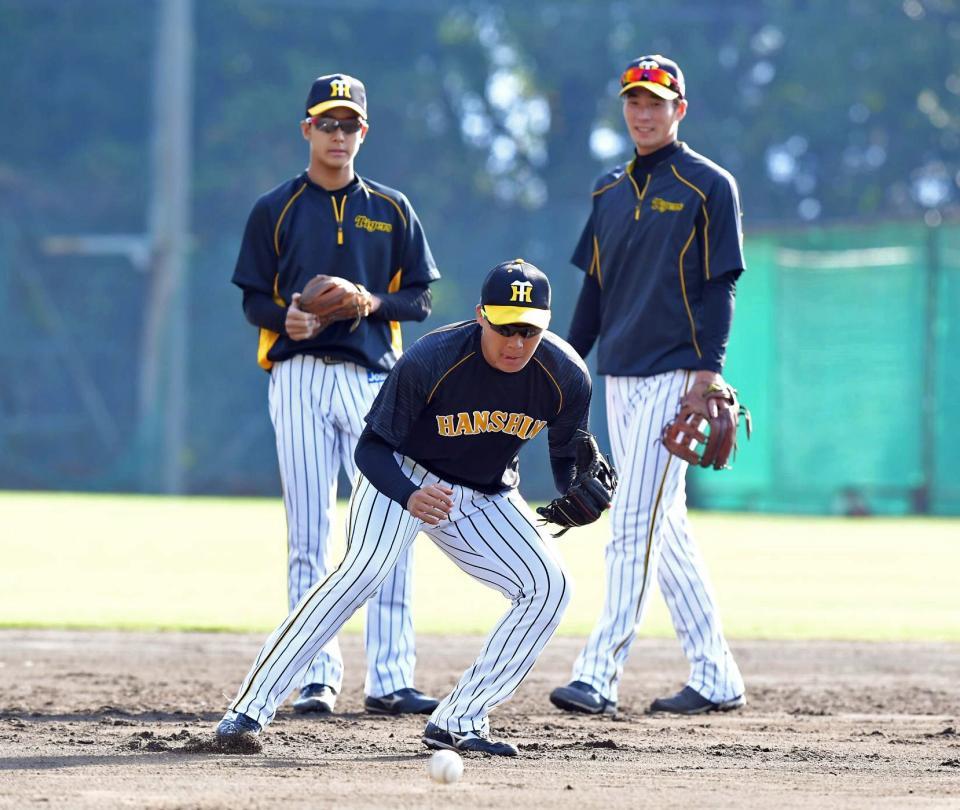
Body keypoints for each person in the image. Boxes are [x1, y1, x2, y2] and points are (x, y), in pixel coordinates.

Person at [216, 259, 593, 756]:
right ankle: (249, 708)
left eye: (529, 330)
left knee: (549, 586)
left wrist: (578, 491)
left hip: (482, 492)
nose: (516, 343)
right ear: (481, 316)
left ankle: (460, 718)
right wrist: (409, 494)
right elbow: (370, 448)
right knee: (364, 572)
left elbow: (569, 457)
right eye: (505, 327)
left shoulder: (565, 376)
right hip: (403, 471)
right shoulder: (431, 359)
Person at [231, 73, 441, 717]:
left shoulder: (392, 208)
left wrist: (372, 301)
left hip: (376, 382)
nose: (339, 134)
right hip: (296, 377)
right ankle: (314, 674)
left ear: (364, 132)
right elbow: (252, 297)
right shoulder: (277, 208)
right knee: (309, 533)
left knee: (391, 525)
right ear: (307, 130)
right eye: (328, 123)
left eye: (350, 124)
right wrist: (282, 319)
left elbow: (421, 298)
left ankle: (391, 676)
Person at [549, 55, 747, 716]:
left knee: (632, 523)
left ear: (679, 110)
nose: (643, 112)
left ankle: (598, 673)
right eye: (634, 100)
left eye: (657, 102)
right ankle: (716, 674)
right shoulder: (607, 191)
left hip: (676, 374)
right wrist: (565, 366)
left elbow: (721, 285)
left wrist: (708, 372)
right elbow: (594, 292)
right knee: (667, 526)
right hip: (619, 376)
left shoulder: (707, 185)